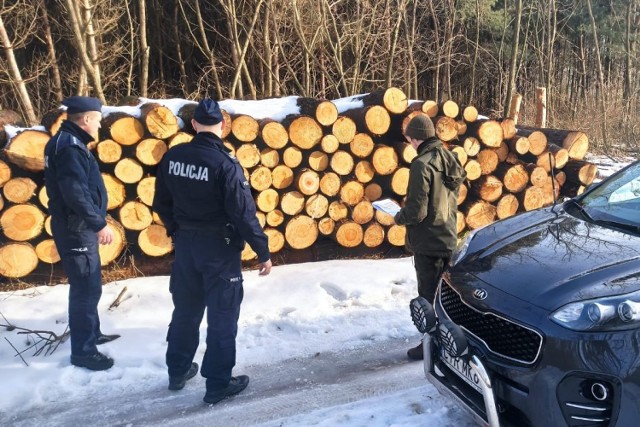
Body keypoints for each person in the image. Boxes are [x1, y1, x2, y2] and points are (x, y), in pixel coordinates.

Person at [153, 98, 272, 404]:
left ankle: (177, 370)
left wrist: (176, 230)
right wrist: (263, 250)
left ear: (194, 125)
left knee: (186, 311)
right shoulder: (225, 164)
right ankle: (218, 383)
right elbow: (243, 214)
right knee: (222, 316)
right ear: (222, 125)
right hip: (219, 251)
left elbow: (161, 204)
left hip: (186, 248)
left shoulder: (173, 157)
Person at [44, 96, 120, 371]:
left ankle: (92, 333)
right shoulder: (69, 148)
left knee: (90, 284)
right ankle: (84, 352)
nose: (99, 126)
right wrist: (98, 223)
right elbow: (74, 193)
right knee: (85, 289)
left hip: (78, 226)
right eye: (97, 120)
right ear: (86, 119)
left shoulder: (68, 142)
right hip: (76, 228)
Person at [394, 114, 466, 360]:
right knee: (446, 296)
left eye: (410, 140)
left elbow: (417, 211)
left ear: (415, 139)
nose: (410, 145)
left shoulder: (421, 164)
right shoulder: (450, 158)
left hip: (427, 241)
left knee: (427, 298)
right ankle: (451, 342)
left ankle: (431, 347)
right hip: (448, 236)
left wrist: (398, 216)